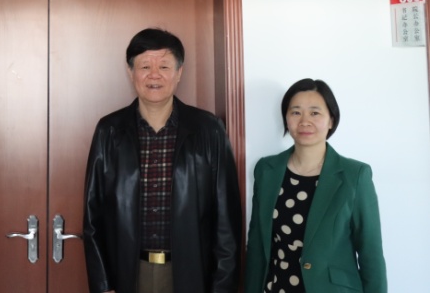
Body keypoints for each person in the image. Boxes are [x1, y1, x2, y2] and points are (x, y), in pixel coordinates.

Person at [83, 28, 242, 293]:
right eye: (145, 66)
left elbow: (227, 220)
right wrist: (103, 284)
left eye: (164, 66)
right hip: (128, 274)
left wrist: (222, 287)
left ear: (179, 72)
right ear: (131, 72)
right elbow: (93, 216)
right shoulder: (109, 130)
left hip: (192, 274)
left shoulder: (208, 129)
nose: (154, 74)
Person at [245, 78, 386, 293]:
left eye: (315, 113)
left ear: (331, 120)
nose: (304, 121)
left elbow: (371, 255)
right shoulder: (267, 170)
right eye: (296, 112)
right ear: (286, 118)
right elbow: (256, 246)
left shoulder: (355, 176)